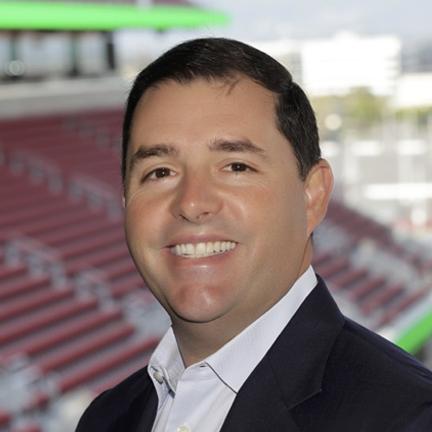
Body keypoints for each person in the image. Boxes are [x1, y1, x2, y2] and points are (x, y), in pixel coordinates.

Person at [76, 38, 432, 432]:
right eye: (160, 172)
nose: (192, 203)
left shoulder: (411, 416)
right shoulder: (106, 418)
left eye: (236, 167)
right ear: (126, 201)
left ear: (312, 196)